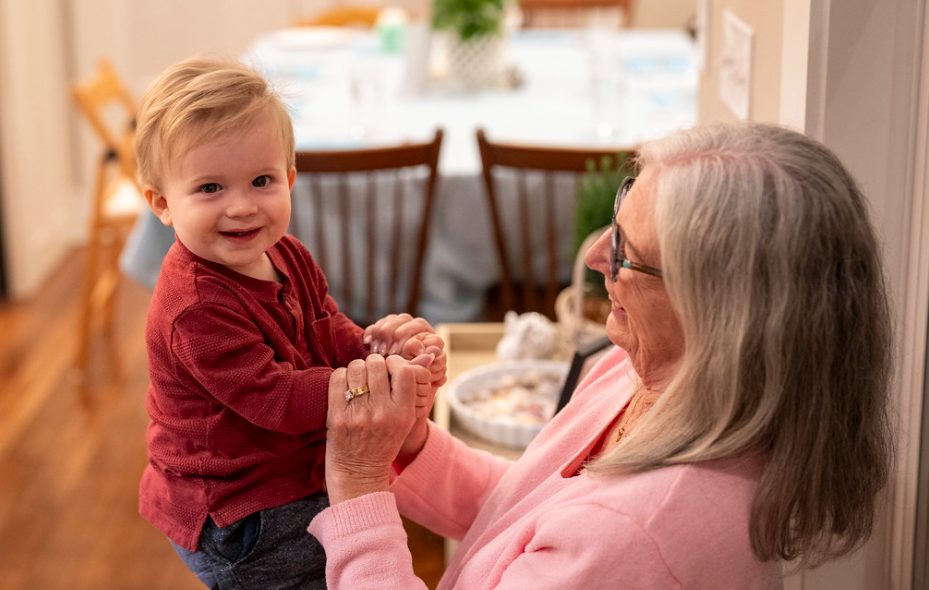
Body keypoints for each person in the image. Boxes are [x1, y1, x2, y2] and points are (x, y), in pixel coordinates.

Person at [312, 121, 894, 589]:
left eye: (625, 252)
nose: (594, 256)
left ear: (715, 310)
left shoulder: (635, 535)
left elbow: (585, 531)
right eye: (611, 227)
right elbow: (524, 513)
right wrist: (411, 443)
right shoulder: (642, 371)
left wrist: (359, 487)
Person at [134, 56, 446, 590]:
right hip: (237, 508)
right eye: (210, 188)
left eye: (261, 180)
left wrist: (375, 350)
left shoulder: (286, 253)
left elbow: (325, 326)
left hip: (289, 468)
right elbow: (273, 397)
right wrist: (372, 387)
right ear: (162, 203)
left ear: (290, 178)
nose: (241, 207)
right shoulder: (195, 307)